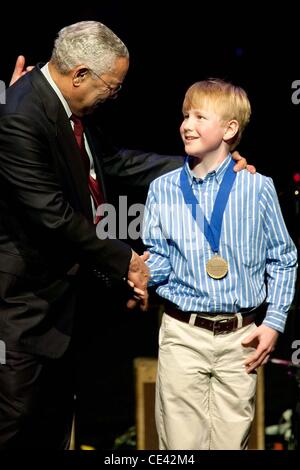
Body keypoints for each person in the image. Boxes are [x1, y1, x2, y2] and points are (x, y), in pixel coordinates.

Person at [0, 22, 251, 449]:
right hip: (23, 308)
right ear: (79, 74)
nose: (113, 96)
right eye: (111, 87)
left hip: (65, 307)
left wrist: (201, 165)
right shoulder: (21, 115)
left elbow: (113, 162)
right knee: (17, 424)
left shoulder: (65, 108)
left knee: (54, 424)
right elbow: (55, 217)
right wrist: (129, 262)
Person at [142, 78, 298, 450]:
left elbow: (284, 257)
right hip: (183, 333)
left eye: (199, 116)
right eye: (184, 115)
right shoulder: (162, 189)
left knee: (231, 443)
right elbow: (160, 259)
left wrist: (274, 322)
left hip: (240, 338)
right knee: (181, 448)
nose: (186, 124)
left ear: (230, 129)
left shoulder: (257, 187)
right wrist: (138, 272)